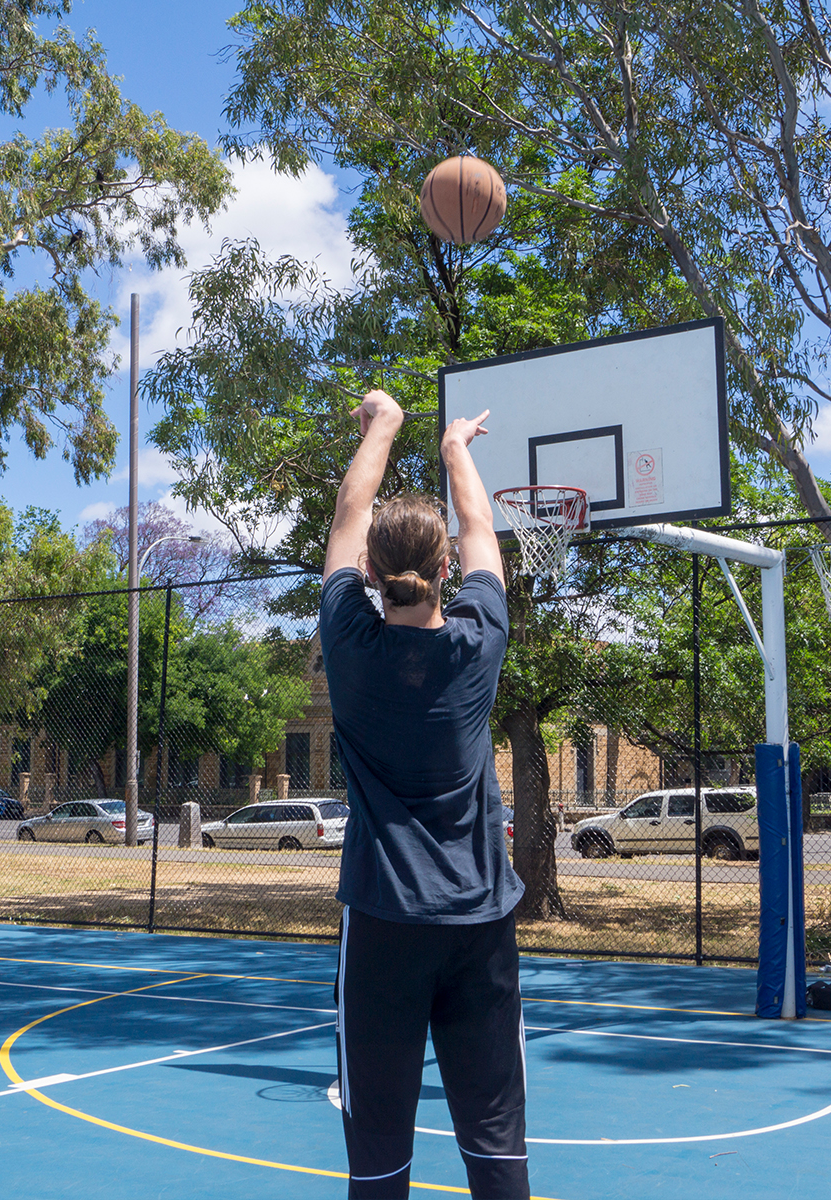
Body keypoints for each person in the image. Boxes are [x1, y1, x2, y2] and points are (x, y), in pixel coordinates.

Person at [318, 389, 527, 1200]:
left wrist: (386, 424)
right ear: (445, 573)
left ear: (369, 575)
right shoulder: (479, 642)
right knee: (496, 1147)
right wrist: (456, 448)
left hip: (382, 926)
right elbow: (483, 534)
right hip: (479, 924)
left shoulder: (349, 643)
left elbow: (348, 509)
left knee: (378, 1158)